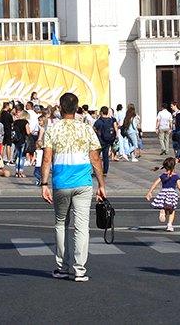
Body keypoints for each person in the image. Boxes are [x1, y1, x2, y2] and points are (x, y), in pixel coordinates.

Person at [41, 93, 106, 281]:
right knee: (82, 227)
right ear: (77, 108)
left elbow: (46, 159)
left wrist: (44, 184)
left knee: (61, 224)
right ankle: (80, 269)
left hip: (61, 182)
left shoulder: (53, 129)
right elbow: (95, 158)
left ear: (60, 108)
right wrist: (101, 184)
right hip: (83, 183)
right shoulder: (86, 129)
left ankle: (62, 266)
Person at [146, 157, 180, 231]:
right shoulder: (175, 176)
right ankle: (169, 225)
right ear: (174, 166)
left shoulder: (163, 175)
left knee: (165, 206)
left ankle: (163, 211)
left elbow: (155, 183)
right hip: (172, 194)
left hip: (163, 192)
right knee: (172, 210)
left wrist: (149, 192)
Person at [92, 107, 119, 175]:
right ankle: (105, 171)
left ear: (101, 112)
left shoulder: (99, 121)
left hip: (99, 141)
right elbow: (115, 128)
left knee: (96, 157)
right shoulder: (110, 120)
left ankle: (97, 170)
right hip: (108, 141)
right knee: (105, 157)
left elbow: (93, 129)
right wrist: (115, 137)